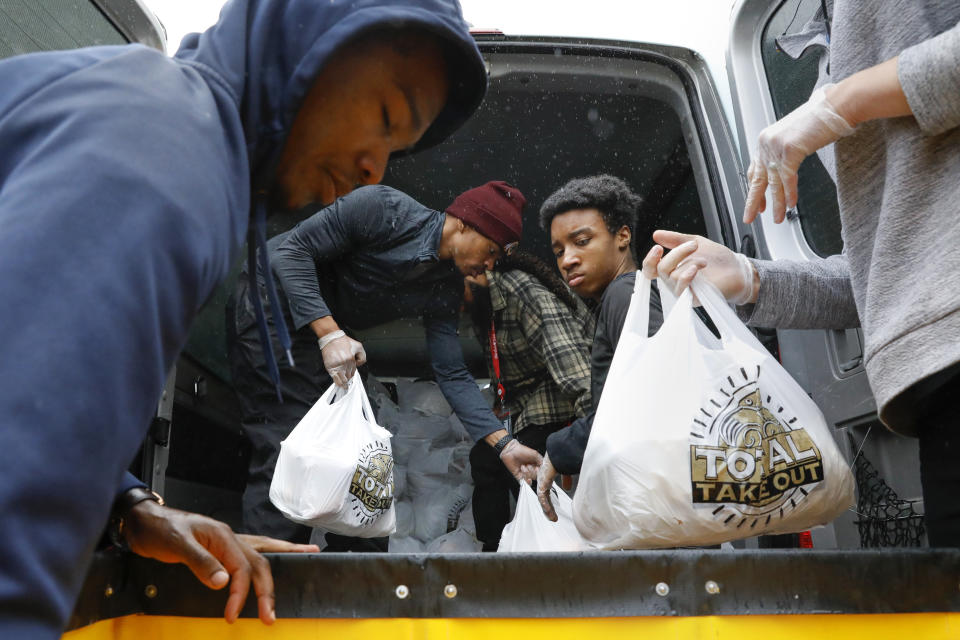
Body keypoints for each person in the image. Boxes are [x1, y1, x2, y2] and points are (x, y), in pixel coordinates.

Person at [0, 0, 487, 634]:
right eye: (385, 117)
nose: (375, 166)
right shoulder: (165, 153)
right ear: (313, 38)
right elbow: (17, 486)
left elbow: (27, 386)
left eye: (398, 146)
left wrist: (127, 506)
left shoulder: (167, 119)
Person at [650, 2, 960, 546]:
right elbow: (882, 269)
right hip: (937, 382)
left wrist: (846, 102)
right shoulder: (821, 44)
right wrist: (751, 278)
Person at [228, 182, 545, 548]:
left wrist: (504, 445)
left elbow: (453, 373)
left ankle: (357, 577)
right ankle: (265, 576)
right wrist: (329, 333)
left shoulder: (445, 285)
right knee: (288, 445)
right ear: (463, 223)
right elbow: (290, 252)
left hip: (325, 331)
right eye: (490, 251)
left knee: (364, 459)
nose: (489, 267)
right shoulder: (382, 208)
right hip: (270, 307)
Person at [531, 175, 664, 520]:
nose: (567, 260)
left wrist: (561, 449)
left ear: (623, 235)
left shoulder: (625, 294)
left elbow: (646, 399)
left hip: (660, 502)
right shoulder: (631, 294)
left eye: (582, 241)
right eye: (559, 250)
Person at [463, 251, 594, 550]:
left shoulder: (526, 294)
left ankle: (552, 545)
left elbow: (578, 375)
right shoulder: (483, 303)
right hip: (523, 404)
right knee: (484, 457)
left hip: (559, 399)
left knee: (524, 470)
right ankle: (491, 548)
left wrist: (594, 440)